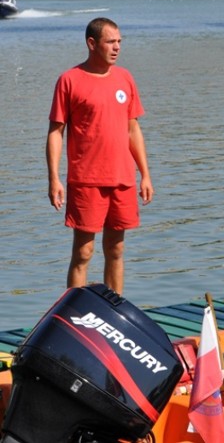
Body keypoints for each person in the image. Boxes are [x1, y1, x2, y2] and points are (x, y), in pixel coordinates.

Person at [46, 17, 153, 295]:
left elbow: (133, 129)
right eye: (110, 42)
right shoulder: (69, 80)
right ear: (92, 43)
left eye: (119, 42)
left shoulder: (125, 78)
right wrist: (54, 179)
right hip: (86, 180)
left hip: (122, 178)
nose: (117, 47)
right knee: (83, 252)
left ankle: (114, 307)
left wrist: (145, 174)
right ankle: (73, 315)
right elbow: (56, 132)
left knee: (116, 249)